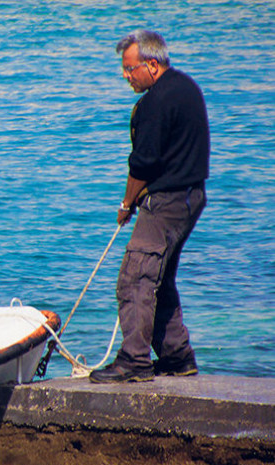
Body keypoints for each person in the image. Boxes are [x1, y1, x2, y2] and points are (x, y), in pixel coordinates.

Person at [89, 30, 209, 384]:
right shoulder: (186, 86)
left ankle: (134, 361)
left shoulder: (155, 102)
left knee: (135, 279)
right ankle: (176, 357)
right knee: (161, 279)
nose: (125, 76)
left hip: (167, 202)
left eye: (130, 69)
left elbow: (142, 164)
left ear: (151, 65)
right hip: (192, 196)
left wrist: (127, 203)